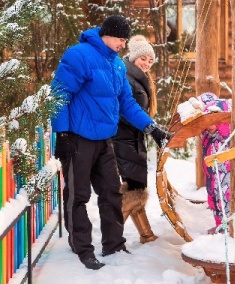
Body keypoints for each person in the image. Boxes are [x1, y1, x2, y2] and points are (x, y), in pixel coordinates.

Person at [51, 15, 171, 270]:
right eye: (120, 39)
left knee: (111, 193)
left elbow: (127, 104)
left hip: (104, 140)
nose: (123, 44)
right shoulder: (79, 56)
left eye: (125, 40)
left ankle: (114, 245)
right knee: (78, 195)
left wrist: (151, 128)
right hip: (77, 138)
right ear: (107, 34)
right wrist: (61, 134)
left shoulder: (117, 66)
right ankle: (82, 247)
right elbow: (59, 94)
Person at [113, 35, 158, 243]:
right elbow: (125, 111)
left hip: (134, 138)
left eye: (150, 60)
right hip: (125, 139)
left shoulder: (140, 78)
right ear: (133, 57)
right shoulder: (127, 78)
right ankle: (111, 238)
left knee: (135, 188)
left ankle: (146, 234)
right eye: (143, 59)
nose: (147, 64)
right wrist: (148, 127)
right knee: (134, 189)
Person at [199, 92, 231, 235]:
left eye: (213, 120)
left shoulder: (225, 135)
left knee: (225, 201)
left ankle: (227, 227)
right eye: (207, 119)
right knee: (214, 200)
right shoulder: (207, 134)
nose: (209, 124)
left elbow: (226, 130)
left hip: (224, 177)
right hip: (212, 175)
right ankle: (219, 225)